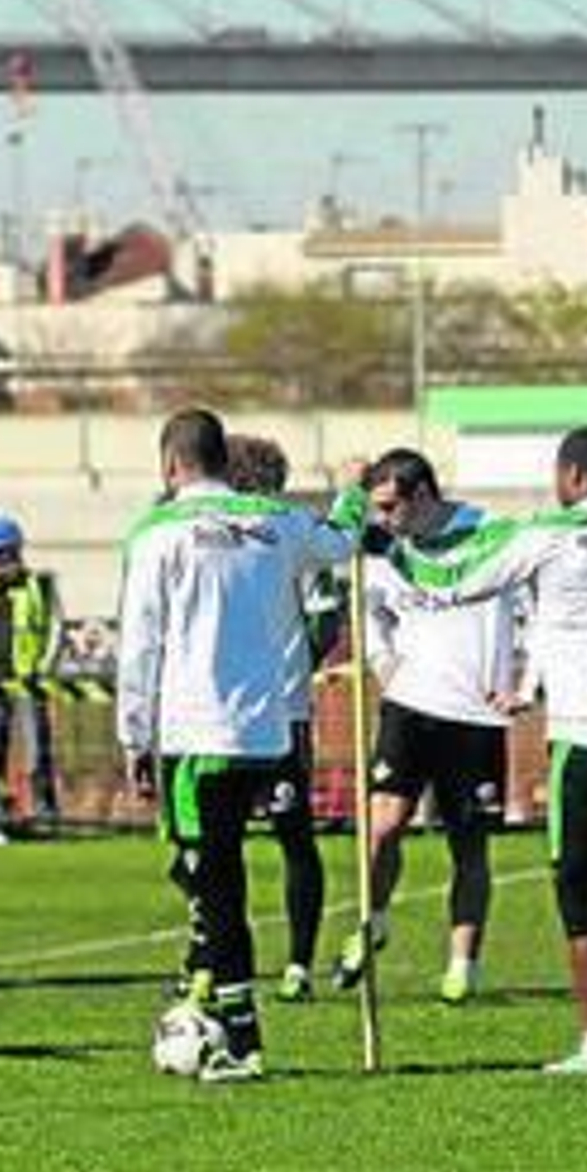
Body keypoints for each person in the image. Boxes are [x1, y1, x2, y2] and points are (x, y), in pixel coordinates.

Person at [395, 426, 587, 1074]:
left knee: (581, 884)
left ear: (571, 476)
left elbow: (453, 583)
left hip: (586, 734)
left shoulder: (547, 534)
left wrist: (390, 549)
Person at [117, 408, 363, 1082]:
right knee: (232, 874)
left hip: (195, 735)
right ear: (223, 460)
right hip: (268, 730)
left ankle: (239, 1038)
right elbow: (343, 542)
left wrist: (133, 733)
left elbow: (140, 642)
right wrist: (354, 491)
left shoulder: (156, 533)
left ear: (171, 465)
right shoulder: (276, 522)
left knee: (213, 884)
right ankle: (229, 1018)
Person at [328, 449, 516, 1006]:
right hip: (410, 705)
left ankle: (463, 965)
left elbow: (536, 601)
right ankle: (374, 919)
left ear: (424, 495)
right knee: (382, 824)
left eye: (391, 507)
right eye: (377, 508)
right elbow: (370, 606)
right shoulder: (386, 549)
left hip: (476, 715)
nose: (384, 519)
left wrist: (523, 674)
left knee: (469, 847)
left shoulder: (491, 534)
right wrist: (383, 662)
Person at [223, 433, 328, 1004]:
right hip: (241, 713)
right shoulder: (217, 533)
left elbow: (327, 614)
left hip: (277, 712)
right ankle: (217, 959)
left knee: (291, 836)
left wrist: (294, 666)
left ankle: (296, 965)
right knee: (222, 842)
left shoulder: (292, 534)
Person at [0, 514, 63, 841]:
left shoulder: (39, 586)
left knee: (36, 752)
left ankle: (45, 814)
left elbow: (55, 630)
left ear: (13, 553)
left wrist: (44, 669)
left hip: (28, 682)